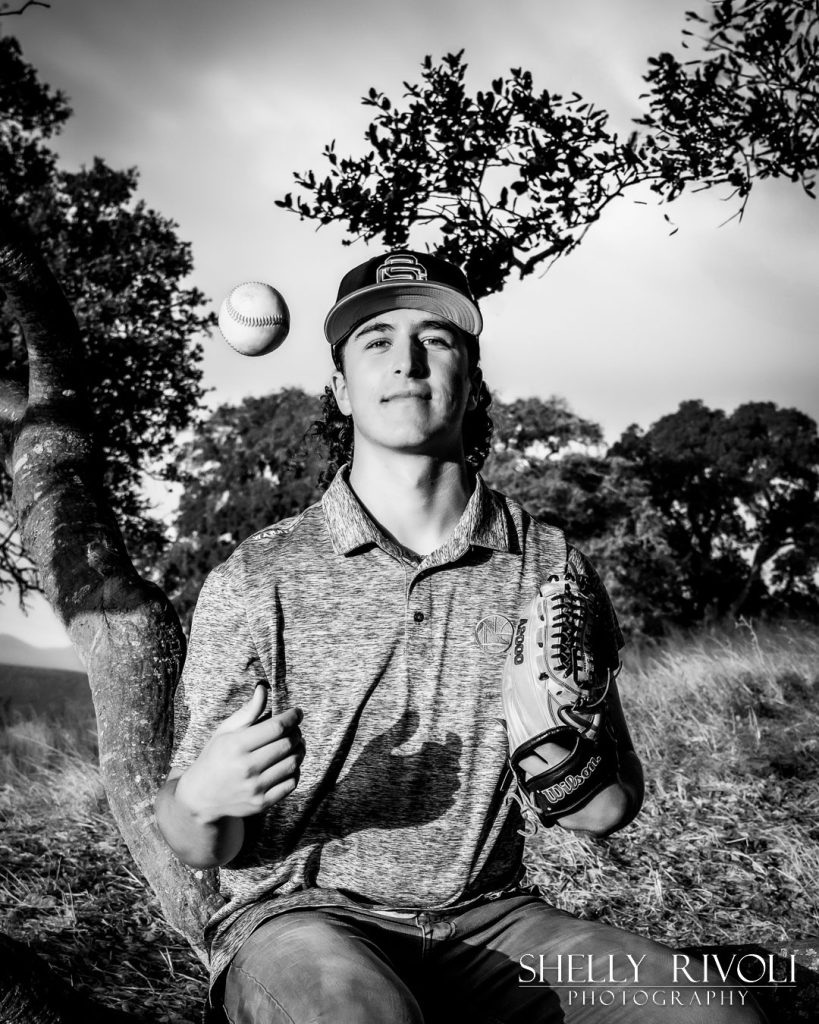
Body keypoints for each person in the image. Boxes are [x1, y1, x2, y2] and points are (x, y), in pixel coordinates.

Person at [154, 251, 764, 1023]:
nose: (406, 360)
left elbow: (608, 809)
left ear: (471, 380)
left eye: (436, 338)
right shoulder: (257, 576)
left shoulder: (546, 563)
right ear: (341, 389)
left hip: (494, 921)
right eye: (375, 339)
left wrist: (556, 757)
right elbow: (193, 838)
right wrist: (206, 799)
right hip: (304, 923)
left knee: (712, 1017)